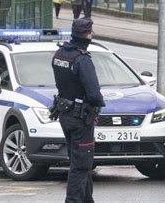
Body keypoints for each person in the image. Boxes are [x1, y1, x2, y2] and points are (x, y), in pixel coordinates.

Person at [51, 18, 105, 203]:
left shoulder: (60, 54)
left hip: (65, 114)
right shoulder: (82, 59)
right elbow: (94, 94)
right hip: (81, 118)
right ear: (88, 36)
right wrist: (98, 105)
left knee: (80, 162)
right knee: (81, 166)